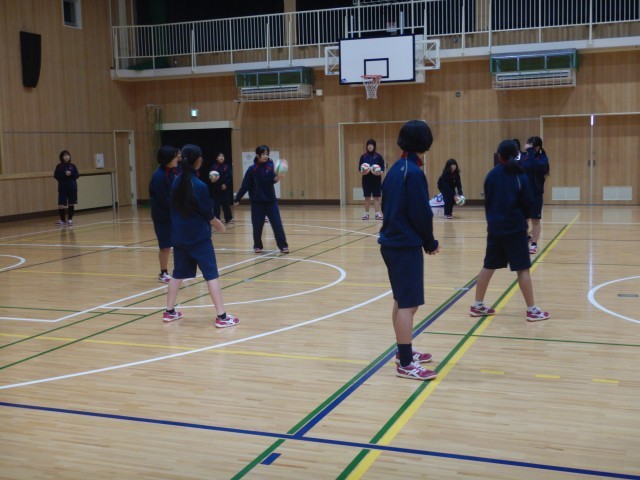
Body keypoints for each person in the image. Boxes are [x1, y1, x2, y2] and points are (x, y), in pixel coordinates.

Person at [378, 120, 440, 381]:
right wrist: (429, 241)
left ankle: (403, 351)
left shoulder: (396, 169)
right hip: (403, 245)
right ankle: (405, 363)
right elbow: (421, 213)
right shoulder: (413, 173)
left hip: (393, 243)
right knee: (409, 304)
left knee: (401, 300)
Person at [470, 140, 550, 322]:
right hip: (515, 230)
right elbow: (528, 204)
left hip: (495, 229)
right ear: (517, 155)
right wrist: (524, 222)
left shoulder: (490, 176)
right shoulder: (520, 176)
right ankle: (532, 310)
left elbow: (488, 203)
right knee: (523, 269)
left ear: (499, 156)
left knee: (488, 266)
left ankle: (477, 305)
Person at [163, 144, 239, 328]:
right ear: (198, 161)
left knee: (177, 274)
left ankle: (169, 312)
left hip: (179, 237)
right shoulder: (199, 185)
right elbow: (207, 212)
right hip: (199, 239)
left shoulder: (176, 181)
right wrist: (219, 225)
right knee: (211, 275)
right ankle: (222, 316)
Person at [234, 145, 289, 254]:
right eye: (263, 154)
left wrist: (279, 176)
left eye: (267, 154)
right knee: (257, 226)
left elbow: (273, 180)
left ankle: (283, 246)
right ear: (258, 155)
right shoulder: (252, 169)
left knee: (277, 224)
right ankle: (257, 246)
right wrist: (238, 198)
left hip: (271, 201)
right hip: (257, 202)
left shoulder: (271, 166)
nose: (265, 156)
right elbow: (245, 185)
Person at [149, 145, 180, 284]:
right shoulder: (159, 176)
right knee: (165, 245)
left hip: (172, 214)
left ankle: (179, 270)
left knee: (176, 243)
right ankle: (163, 273)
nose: (177, 158)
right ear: (167, 159)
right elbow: (163, 200)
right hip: (162, 216)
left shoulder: (172, 172)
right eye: (174, 156)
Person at [520, 136, 549, 254]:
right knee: (523, 219)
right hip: (523, 194)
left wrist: (531, 151)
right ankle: (526, 238)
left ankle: (534, 244)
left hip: (536, 193)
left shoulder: (542, 159)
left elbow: (534, 166)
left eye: (531, 146)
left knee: (535, 220)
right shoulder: (524, 157)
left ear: (537, 148)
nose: (528, 148)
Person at [359, 139, 385, 220]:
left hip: (376, 179)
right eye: (368, 144)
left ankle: (377, 214)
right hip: (366, 179)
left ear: (374, 146)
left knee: (376, 196)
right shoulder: (363, 157)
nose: (370, 146)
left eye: (371, 144)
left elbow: (382, 168)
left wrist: (380, 172)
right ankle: (366, 214)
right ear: (367, 146)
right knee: (367, 196)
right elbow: (360, 168)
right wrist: (362, 172)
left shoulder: (378, 156)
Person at [53, 150, 79, 226]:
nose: (66, 157)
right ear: (62, 157)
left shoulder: (73, 166)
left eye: (67, 155)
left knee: (71, 203)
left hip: (72, 187)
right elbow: (56, 176)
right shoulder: (59, 166)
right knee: (61, 204)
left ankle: (70, 219)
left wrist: (71, 174)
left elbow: (77, 175)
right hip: (62, 188)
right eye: (64, 155)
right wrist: (65, 174)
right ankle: (62, 220)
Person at [208, 152, 234, 224]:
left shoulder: (227, 167)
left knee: (226, 204)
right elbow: (210, 178)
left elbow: (230, 177)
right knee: (216, 205)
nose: (221, 157)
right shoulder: (213, 167)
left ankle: (228, 218)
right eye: (219, 156)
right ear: (217, 158)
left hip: (225, 189)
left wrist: (225, 184)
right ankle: (217, 218)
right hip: (216, 189)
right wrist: (212, 180)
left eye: (222, 156)